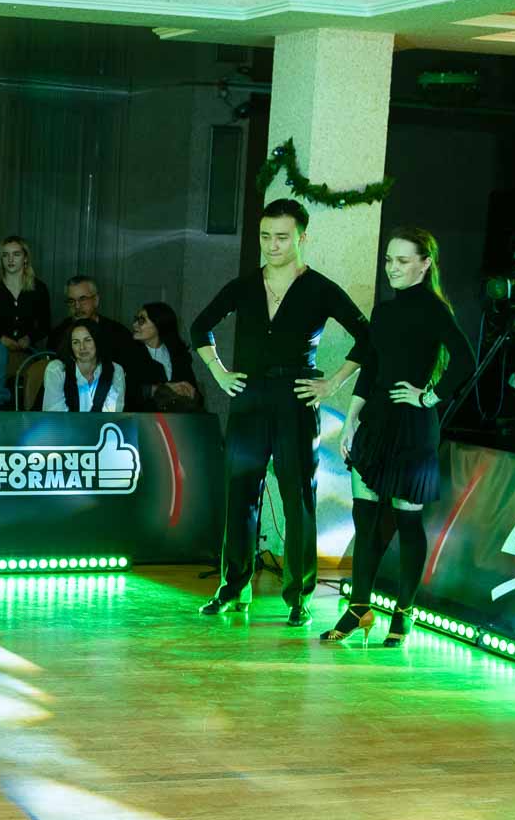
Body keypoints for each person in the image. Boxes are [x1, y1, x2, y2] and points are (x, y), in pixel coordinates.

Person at [191, 198, 372, 626]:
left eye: (282, 237)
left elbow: (367, 336)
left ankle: (299, 596)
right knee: (240, 495)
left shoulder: (320, 288)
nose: (272, 245)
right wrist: (219, 372)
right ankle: (233, 588)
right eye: (265, 236)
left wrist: (332, 382)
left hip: (296, 398)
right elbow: (200, 326)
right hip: (249, 396)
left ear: (301, 237)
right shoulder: (244, 285)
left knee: (299, 497)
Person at [325, 227, 475, 646]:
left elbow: (465, 360)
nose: (392, 268)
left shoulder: (434, 309)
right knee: (365, 518)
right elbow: (371, 366)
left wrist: (429, 397)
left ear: (425, 264)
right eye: (389, 260)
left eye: (403, 261)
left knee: (408, 522)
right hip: (375, 424)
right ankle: (358, 608)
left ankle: (404, 611)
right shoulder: (384, 311)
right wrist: (351, 419)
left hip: (412, 428)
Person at [0, 235, 50, 367]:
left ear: (25, 258)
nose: (10, 259)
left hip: (28, 355)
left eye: (16, 254)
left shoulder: (39, 288)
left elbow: (45, 325)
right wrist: (0, 338)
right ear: (1, 259)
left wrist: (29, 338)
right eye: (5, 255)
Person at [126, 301, 202, 411]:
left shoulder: (179, 355)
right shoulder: (128, 353)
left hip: (176, 419)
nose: (135, 325)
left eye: (142, 320)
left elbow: (196, 395)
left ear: (159, 324)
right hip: (141, 418)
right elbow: (125, 391)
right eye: (136, 319)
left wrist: (190, 391)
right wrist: (159, 389)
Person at [47, 275, 134, 364]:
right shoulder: (57, 334)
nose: (77, 306)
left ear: (96, 300)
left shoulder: (119, 334)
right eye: (71, 301)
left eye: (83, 299)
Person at [42, 319, 126, 412]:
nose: (82, 347)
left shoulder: (115, 370)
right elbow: (54, 413)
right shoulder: (57, 369)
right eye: (76, 342)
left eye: (88, 340)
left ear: (98, 341)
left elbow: (112, 414)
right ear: (70, 346)